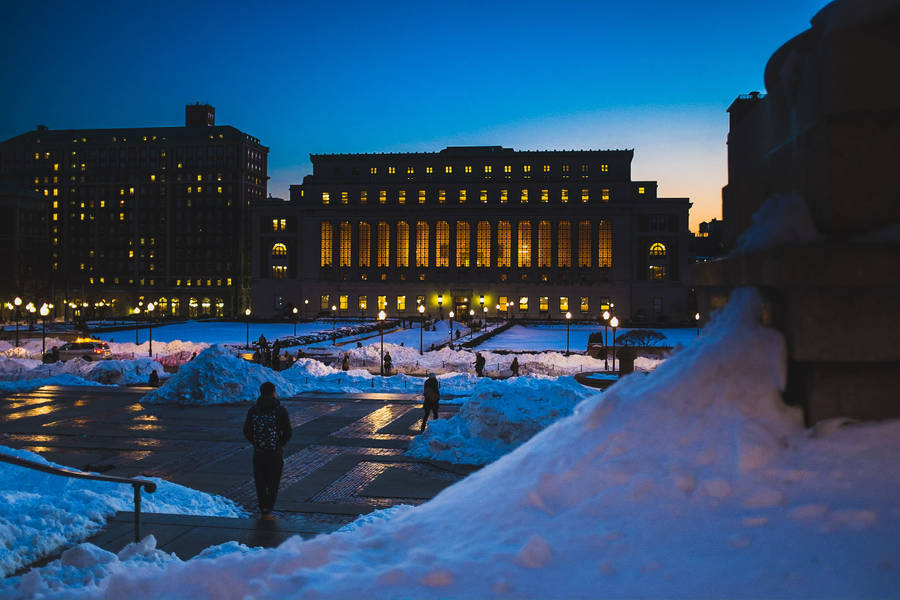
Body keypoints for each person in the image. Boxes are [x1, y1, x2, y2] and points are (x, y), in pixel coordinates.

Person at [243, 382, 292, 518]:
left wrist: (257, 443)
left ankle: (262, 505)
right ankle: (269, 506)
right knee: (273, 480)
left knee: (260, 480)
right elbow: (288, 432)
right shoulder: (280, 410)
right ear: (273, 392)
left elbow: (247, 431)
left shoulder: (253, 410)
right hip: (275, 451)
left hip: (259, 452)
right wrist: (279, 444)